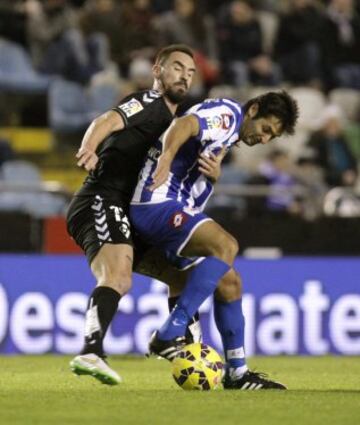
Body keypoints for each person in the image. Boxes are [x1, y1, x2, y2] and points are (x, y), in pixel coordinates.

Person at [130, 91, 299, 390]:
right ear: (254, 110)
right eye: (265, 130)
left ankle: (238, 373)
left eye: (271, 137)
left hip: (173, 205)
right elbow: (183, 124)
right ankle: (171, 331)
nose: (264, 140)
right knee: (226, 246)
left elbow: (193, 178)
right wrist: (166, 158)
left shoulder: (228, 136)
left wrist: (213, 178)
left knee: (230, 282)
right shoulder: (229, 114)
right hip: (155, 202)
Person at [66, 44, 198, 385]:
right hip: (101, 197)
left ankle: (185, 349)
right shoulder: (150, 103)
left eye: (190, 72)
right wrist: (89, 147)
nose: (184, 76)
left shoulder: (174, 125)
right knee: (118, 278)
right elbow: (107, 120)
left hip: (128, 210)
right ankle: (90, 351)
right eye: (177, 67)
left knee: (181, 276)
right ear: (157, 70)